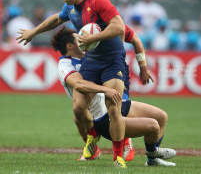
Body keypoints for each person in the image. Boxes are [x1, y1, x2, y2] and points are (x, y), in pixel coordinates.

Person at [16, 0, 150, 167]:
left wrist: (142, 65)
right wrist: (33, 32)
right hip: (92, 60)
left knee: (114, 107)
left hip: (112, 60)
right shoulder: (69, 7)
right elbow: (56, 19)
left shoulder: (98, 1)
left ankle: (118, 156)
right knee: (78, 106)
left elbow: (120, 27)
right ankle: (92, 139)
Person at [50, 26, 176, 167]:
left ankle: (152, 160)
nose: (83, 38)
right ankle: (150, 152)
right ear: (70, 46)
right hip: (103, 118)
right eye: (79, 37)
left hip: (114, 103)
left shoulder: (90, 56)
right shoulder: (65, 65)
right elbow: (79, 84)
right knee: (153, 126)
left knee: (161, 116)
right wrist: (106, 90)